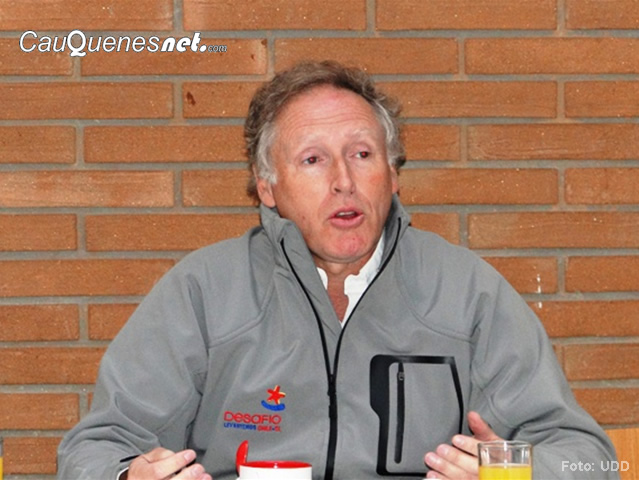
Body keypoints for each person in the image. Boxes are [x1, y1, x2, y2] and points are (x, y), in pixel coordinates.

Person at [57, 60, 617, 480]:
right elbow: (92, 450)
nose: (343, 181)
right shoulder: (203, 293)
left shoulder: (468, 293)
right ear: (267, 187)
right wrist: (130, 476)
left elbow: (591, 461)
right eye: (313, 159)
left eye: (362, 154)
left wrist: (507, 472)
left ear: (393, 175)